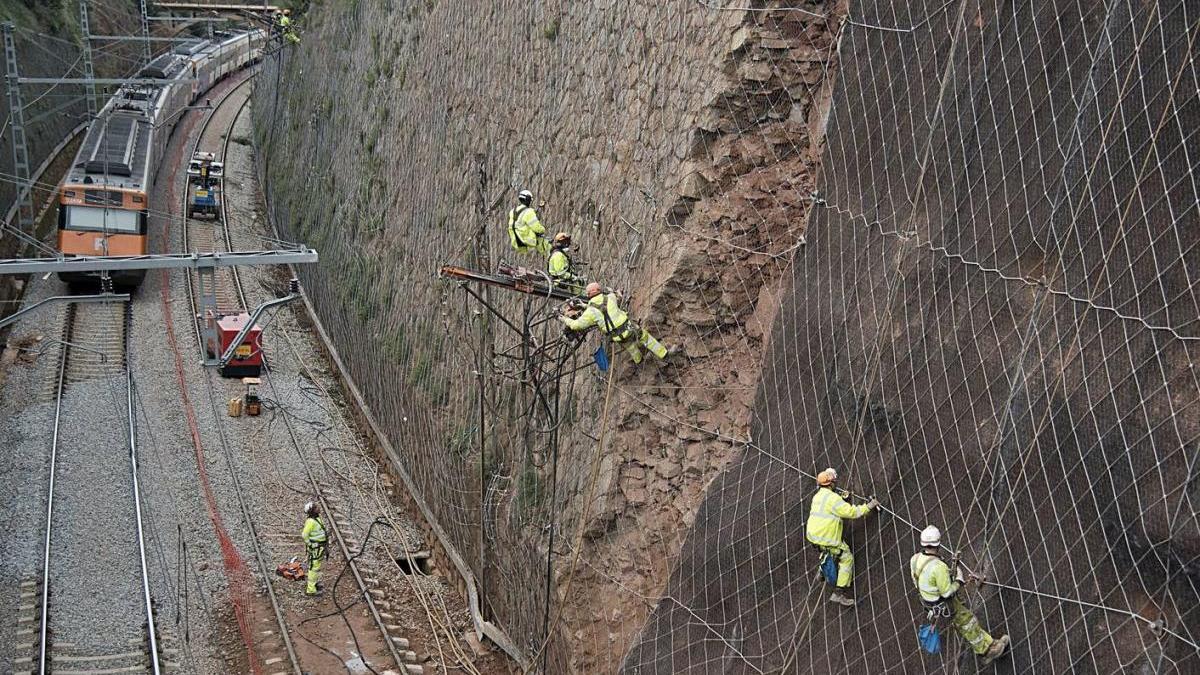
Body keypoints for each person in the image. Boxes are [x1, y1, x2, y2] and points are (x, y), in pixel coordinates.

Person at [911, 525, 1010, 663]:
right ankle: (986, 651)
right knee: (968, 623)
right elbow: (946, 593)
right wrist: (958, 580)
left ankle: (990, 642)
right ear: (938, 543)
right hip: (945, 603)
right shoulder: (938, 567)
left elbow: (917, 580)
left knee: (965, 622)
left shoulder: (915, 559)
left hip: (929, 603)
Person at [805, 467, 878, 607]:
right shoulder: (833, 498)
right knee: (846, 557)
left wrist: (843, 499)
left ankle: (822, 571)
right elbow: (852, 512)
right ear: (831, 483)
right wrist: (869, 506)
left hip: (813, 536)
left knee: (829, 551)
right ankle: (839, 593)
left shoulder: (817, 496)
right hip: (827, 538)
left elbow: (831, 507)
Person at [560, 282, 668, 364]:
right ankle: (664, 354)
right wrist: (618, 292)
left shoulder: (590, 312)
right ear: (599, 290)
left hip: (617, 336)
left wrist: (563, 318)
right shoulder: (610, 297)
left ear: (588, 295)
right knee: (646, 339)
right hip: (630, 328)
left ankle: (639, 361)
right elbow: (618, 297)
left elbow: (576, 325)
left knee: (630, 347)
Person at [508, 189, 549, 256]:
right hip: (526, 240)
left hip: (516, 241)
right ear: (528, 199)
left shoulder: (512, 211)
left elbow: (522, 219)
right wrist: (543, 230)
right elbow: (537, 228)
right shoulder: (529, 212)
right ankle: (549, 257)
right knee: (546, 244)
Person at [301, 501, 327, 596]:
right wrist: (310, 545)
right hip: (316, 548)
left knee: (317, 567)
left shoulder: (317, 519)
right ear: (312, 511)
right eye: (316, 507)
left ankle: (314, 583)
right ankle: (311, 589)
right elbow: (304, 535)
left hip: (320, 547)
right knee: (314, 568)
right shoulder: (311, 522)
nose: (318, 508)